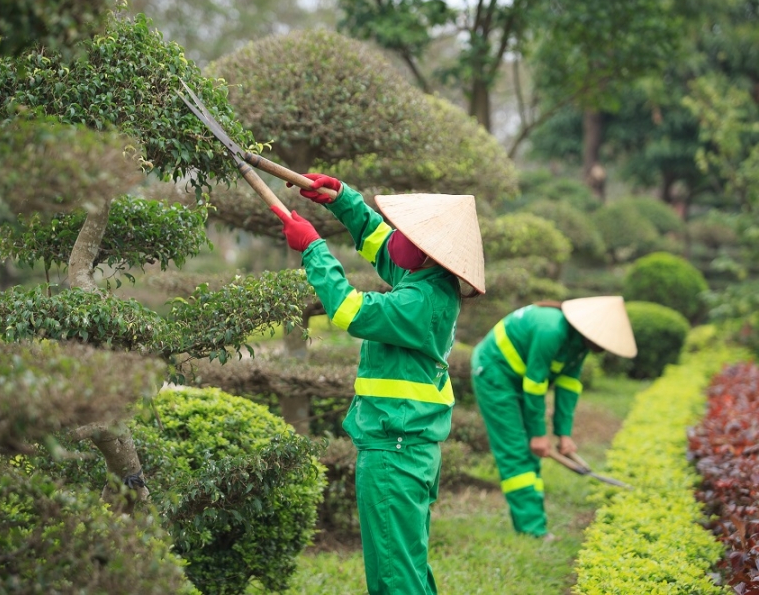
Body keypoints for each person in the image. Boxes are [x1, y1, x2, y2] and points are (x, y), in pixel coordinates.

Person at [272, 173, 485, 595]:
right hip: (408, 446)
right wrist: (343, 199)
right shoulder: (428, 277)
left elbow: (351, 311)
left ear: (429, 249)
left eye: (408, 232)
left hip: (396, 451)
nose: (398, 237)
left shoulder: (418, 300)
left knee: (394, 576)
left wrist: (314, 249)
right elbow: (382, 243)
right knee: (406, 565)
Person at [470, 297, 637, 538]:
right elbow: (536, 383)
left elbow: (569, 386)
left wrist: (563, 434)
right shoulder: (551, 329)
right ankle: (533, 530)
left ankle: (531, 521)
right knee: (516, 450)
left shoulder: (578, 344)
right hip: (494, 373)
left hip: (521, 378)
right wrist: (538, 434)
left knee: (530, 451)